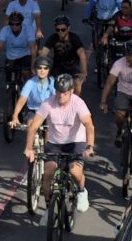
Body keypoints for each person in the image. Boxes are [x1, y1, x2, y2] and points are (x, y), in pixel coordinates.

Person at [23, 73, 96, 214]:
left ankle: (81, 191)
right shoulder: (48, 103)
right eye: (58, 92)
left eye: (65, 93)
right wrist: (29, 148)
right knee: (48, 173)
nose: (61, 95)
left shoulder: (78, 103)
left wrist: (89, 146)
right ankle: (48, 208)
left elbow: (89, 125)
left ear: (71, 91)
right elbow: (33, 126)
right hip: (55, 143)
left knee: (75, 171)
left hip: (76, 142)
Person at [0, 11, 38, 87]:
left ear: (21, 23)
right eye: (12, 24)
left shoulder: (28, 30)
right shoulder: (5, 30)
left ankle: (28, 89)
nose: (14, 26)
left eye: (17, 24)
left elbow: (33, 49)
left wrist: (33, 66)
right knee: (9, 80)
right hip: (11, 56)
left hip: (25, 54)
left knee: (26, 72)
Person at [41, 15, 89, 95]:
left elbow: (82, 55)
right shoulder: (53, 38)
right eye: (58, 30)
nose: (60, 32)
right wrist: (41, 68)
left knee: (77, 83)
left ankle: (75, 102)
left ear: (68, 28)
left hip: (73, 66)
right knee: (51, 86)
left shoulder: (74, 38)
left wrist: (84, 73)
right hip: (58, 66)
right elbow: (43, 54)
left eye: (63, 29)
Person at [10, 56, 56, 130]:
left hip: (48, 112)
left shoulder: (52, 82)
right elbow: (22, 100)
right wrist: (15, 116)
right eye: (39, 68)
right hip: (34, 111)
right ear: (35, 70)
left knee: (49, 132)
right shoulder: (30, 82)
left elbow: (57, 98)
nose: (42, 70)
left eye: (45, 68)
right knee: (30, 128)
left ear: (49, 70)